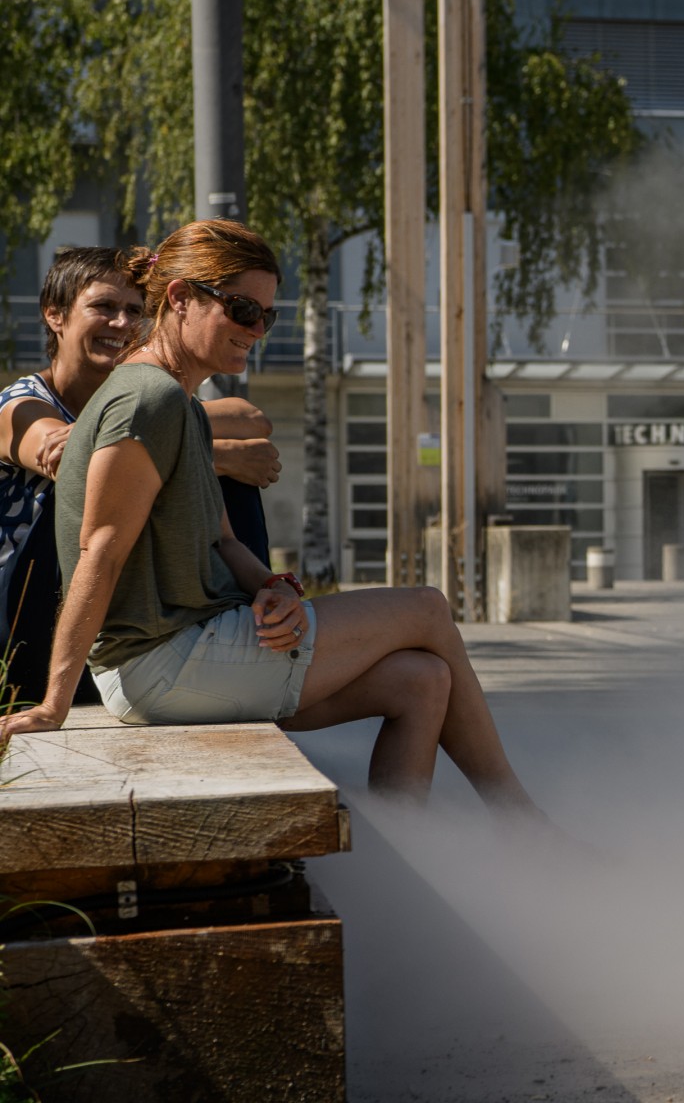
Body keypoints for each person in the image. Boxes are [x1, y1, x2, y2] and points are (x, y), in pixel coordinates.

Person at [0, 220, 541, 818]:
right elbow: (98, 549)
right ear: (180, 298)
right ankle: (520, 817)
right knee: (428, 609)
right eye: (239, 309)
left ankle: (409, 852)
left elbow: (222, 537)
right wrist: (53, 703)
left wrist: (274, 588)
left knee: (421, 680)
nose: (255, 330)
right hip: (162, 662)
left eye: (266, 315)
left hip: (185, 654)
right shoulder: (146, 399)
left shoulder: (177, 402)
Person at [0, 246, 281, 708]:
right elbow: (59, 456)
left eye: (134, 311)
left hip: (110, 602)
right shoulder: (22, 404)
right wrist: (214, 456)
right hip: (28, 608)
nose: (122, 324)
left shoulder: (151, 396)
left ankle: (243, 622)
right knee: (82, 496)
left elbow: (251, 417)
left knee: (222, 487)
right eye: (103, 307)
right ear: (55, 316)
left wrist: (173, 444)